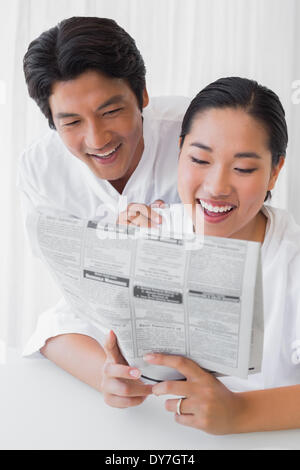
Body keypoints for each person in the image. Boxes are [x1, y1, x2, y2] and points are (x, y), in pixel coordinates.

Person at [19, 16, 189, 407]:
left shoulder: (194, 132)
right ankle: (115, 380)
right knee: (55, 330)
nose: (97, 139)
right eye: (72, 122)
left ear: (142, 94)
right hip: (104, 317)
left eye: (111, 111)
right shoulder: (40, 168)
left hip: (188, 312)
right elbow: (72, 282)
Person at [119, 77, 300, 434]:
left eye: (244, 168)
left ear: (275, 171)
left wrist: (241, 412)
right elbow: (67, 330)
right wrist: (113, 376)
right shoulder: (149, 228)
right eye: (200, 159)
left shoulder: (291, 259)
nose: (217, 187)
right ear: (180, 150)